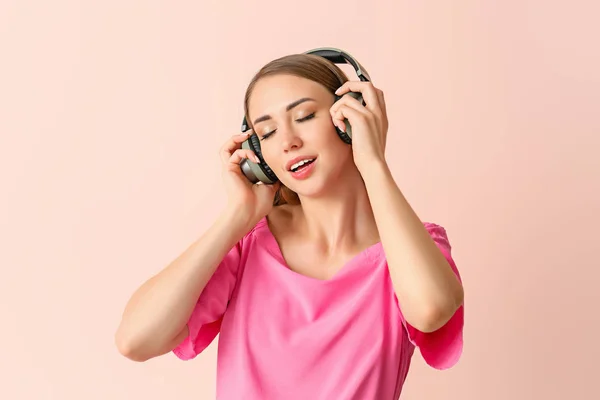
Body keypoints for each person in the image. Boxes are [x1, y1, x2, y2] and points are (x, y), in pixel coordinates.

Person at [115, 48, 465, 400]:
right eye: (266, 133)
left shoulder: (411, 245)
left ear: (350, 117)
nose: (287, 142)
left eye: (305, 115)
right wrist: (236, 217)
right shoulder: (247, 243)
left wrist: (373, 161)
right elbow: (136, 340)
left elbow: (430, 309)